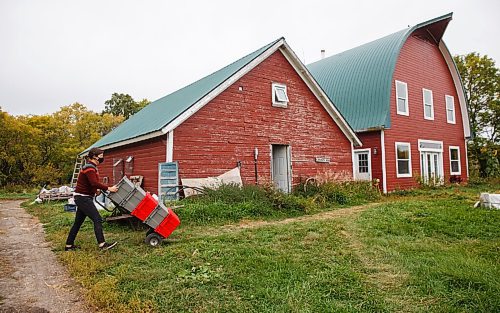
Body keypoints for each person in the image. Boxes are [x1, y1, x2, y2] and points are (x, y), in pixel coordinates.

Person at [65, 147, 119, 251]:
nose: (102, 158)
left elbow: (89, 183)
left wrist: (95, 191)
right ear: (94, 156)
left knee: (77, 223)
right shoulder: (90, 167)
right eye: (101, 156)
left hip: (82, 197)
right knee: (97, 219)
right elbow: (93, 182)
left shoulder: (91, 167)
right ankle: (102, 244)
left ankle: (69, 246)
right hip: (83, 198)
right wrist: (109, 188)